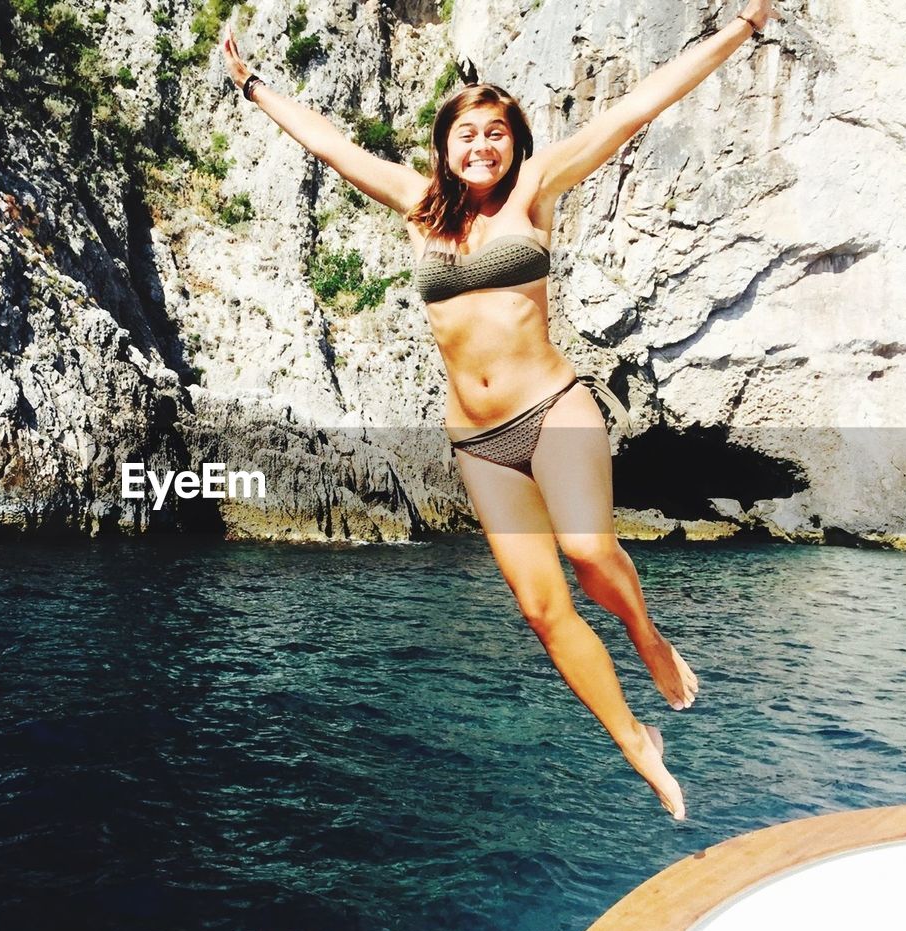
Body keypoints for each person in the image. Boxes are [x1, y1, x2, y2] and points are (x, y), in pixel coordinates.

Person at [222, 2, 776, 819]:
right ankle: (637, 744)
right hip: (478, 444)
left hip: (553, 407)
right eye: (466, 134)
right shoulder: (420, 208)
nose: (481, 146)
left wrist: (739, 29)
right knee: (542, 610)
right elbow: (333, 146)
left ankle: (647, 635)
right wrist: (256, 87)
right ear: (445, 147)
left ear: (513, 141)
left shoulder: (536, 190)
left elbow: (636, 107)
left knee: (588, 551)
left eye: (496, 133)